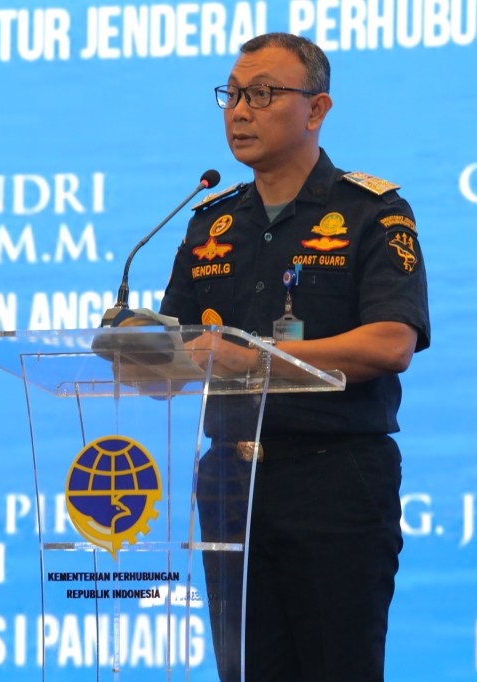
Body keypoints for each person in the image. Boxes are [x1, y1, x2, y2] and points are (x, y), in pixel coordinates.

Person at [158, 33, 431, 681]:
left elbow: (391, 342)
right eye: (232, 95)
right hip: (229, 484)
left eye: (261, 94)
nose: (239, 111)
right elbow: (171, 351)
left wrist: (254, 360)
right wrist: (134, 350)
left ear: (317, 109)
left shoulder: (372, 212)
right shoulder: (210, 222)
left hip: (334, 479)